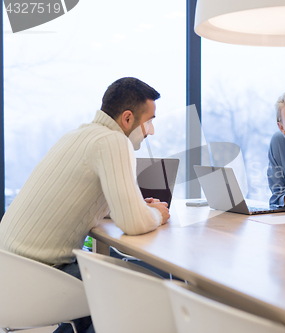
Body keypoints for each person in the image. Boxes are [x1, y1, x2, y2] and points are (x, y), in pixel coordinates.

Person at [0, 77, 171, 332]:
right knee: (152, 288)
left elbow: (79, 198)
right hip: (40, 275)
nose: (152, 131)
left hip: (12, 272)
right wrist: (157, 214)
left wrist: (135, 205)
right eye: (149, 121)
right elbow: (133, 224)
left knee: (112, 275)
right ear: (127, 119)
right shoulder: (114, 141)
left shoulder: (78, 135)